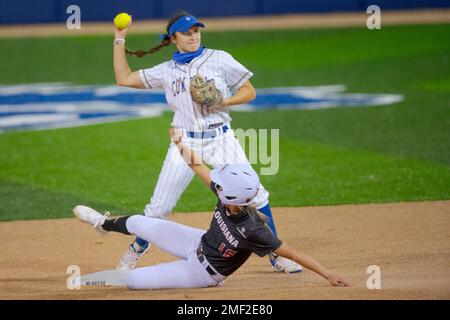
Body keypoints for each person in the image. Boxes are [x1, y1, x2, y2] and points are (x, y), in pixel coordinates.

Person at [113, 10, 301, 273]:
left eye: (196, 31)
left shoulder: (219, 59)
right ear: (173, 39)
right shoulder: (166, 71)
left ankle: (275, 255)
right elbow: (123, 78)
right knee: (159, 207)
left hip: (221, 137)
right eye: (186, 33)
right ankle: (136, 250)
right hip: (185, 144)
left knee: (256, 194)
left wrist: (224, 101)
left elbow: (250, 91)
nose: (193, 37)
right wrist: (119, 38)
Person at [73, 128, 350, 290]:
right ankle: (103, 224)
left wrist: (329, 275)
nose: (216, 183)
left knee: (133, 281)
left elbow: (293, 252)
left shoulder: (255, 230)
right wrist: (180, 143)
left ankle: (94, 282)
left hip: (203, 273)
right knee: (139, 222)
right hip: (196, 241)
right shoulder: (226, 197)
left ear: (232, 197)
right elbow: (197, 166)